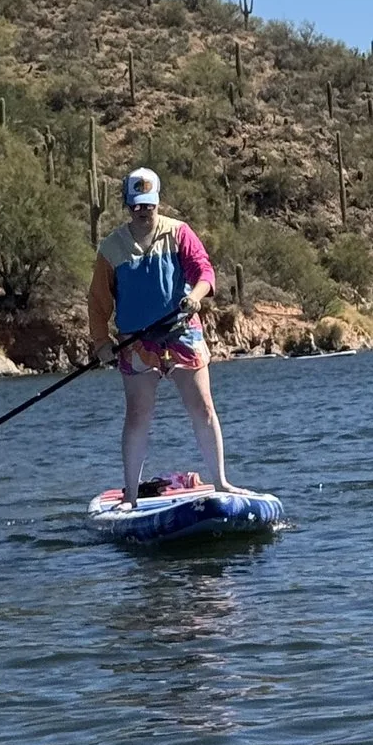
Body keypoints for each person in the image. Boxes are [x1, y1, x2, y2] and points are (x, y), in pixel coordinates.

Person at [88, 167, 236, 501]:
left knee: (203, 408)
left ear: (157, 201)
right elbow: (98, 302)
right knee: (137, 415)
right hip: (137, 342)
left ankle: (222, 482)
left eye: (149, 203)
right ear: (128, 203)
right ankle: (130, 496)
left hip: (182, 332)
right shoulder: (111, 248)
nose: (144, 210)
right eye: (137, 204)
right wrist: (101, 343)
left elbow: (204, 271)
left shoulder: (180, 233)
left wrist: (195, 296)